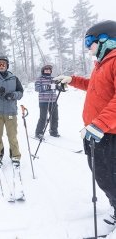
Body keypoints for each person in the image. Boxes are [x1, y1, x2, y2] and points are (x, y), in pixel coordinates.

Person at [54, 20, 116, 225]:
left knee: (108, 176)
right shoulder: (102, 64)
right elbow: (94, 86)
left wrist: (99, 124)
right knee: (100, 173)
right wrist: (72, 80)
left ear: (106, 39)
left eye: (90, 41)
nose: (88, 47)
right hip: (96, 131)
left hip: (108, 133)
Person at [0, 55, 24, 165]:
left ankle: (15, 156)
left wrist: (13, 95)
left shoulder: (14, 78)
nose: (1, 66)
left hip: (11, 111)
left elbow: (20, 93)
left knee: (12, 136)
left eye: (4, 64)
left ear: (7, 65)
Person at [34, 64, 60, 139]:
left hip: (53, 100)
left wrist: (59, 87)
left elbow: (57, 87)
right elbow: (37, 88)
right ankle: (38, 132)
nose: (48, 71)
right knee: (43, 117)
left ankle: (53, 131)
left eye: (49, 70)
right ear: (43, 71)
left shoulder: (54, 79)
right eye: (46, 69)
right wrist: (47, 87)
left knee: (54, 117)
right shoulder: (40, 79)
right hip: (43, 101)